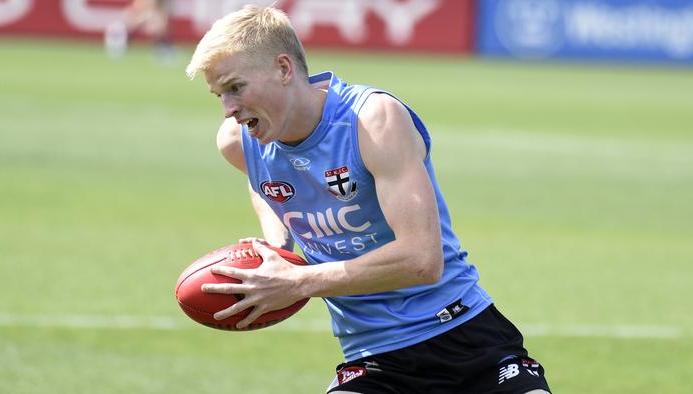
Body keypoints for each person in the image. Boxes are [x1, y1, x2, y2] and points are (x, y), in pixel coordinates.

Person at [186, 5, 551, 394]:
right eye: (219, 94)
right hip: (373, 360)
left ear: (284, 68)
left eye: (236, 87)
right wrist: (278, 243)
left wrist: (298, 280)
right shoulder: (239, 142)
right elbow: (263, 182)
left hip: (468, 339)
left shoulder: (372, 120)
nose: (229, 109)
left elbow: (421, 261)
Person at [104, 0, 174, 61]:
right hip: (133, 18)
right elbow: (136, 10)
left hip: (144, 18)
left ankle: (162, 47)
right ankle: (119, 45)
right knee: (156, 19)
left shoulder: (160, 7)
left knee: (158, 20)